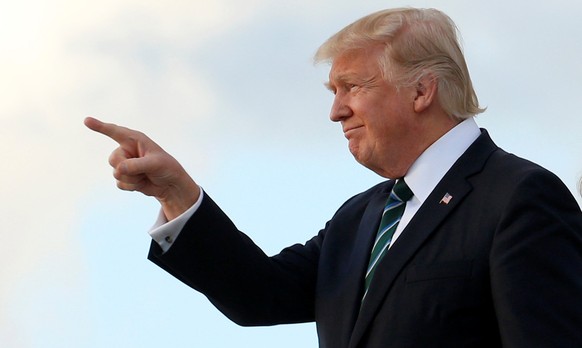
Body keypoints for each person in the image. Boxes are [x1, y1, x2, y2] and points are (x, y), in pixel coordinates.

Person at [85, 7, 582, 348]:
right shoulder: (360, 217)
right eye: (332, 90)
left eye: (352, 88)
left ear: (422, 90)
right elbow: (258, 294)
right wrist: (177, 193)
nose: (335, 111)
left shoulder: (519, 199)